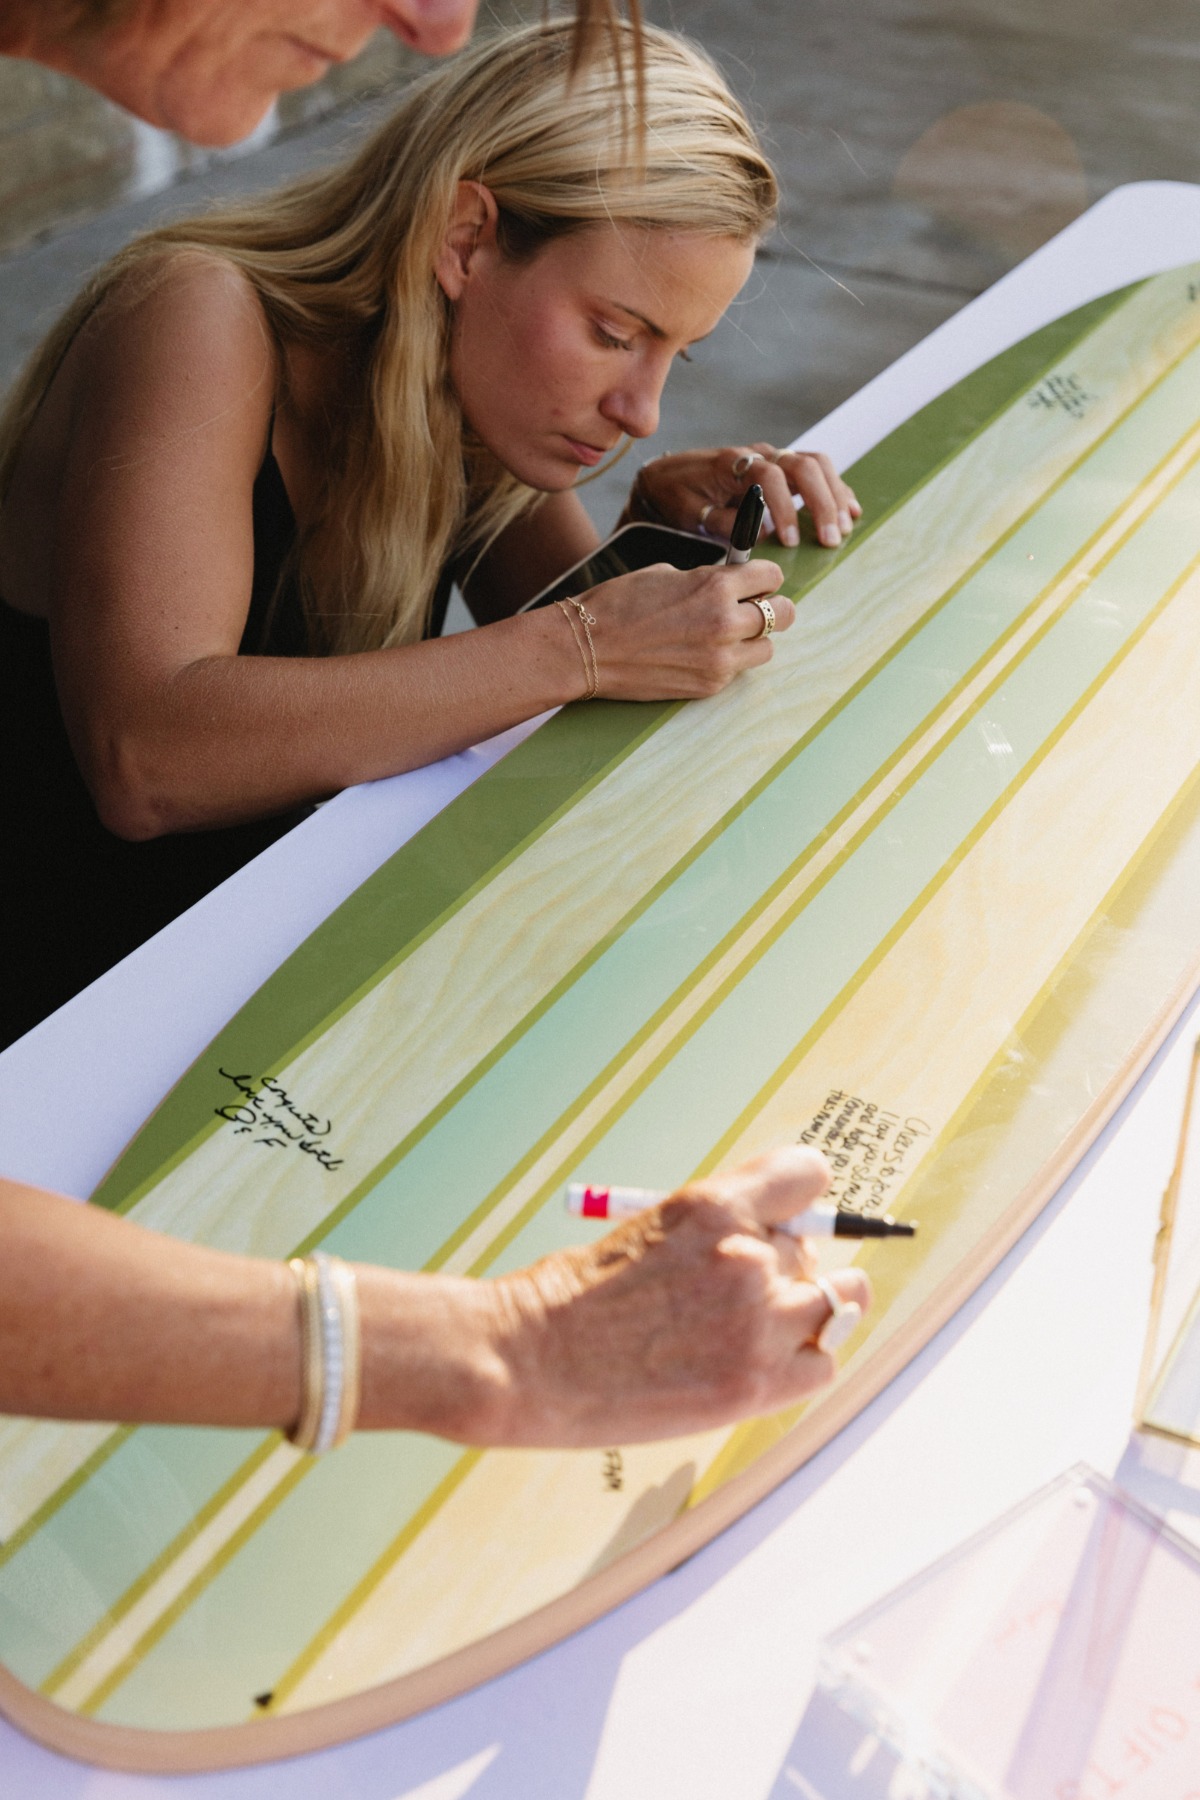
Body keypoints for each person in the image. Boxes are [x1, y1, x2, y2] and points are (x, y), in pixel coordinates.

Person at [0, 21, 869, 1448]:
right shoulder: (202, 315)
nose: (639, 400)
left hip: (251, 999)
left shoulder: (472, 388)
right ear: (470, 234)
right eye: (616, 331)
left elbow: (545, 664)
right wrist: (588, 636)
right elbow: (148, 759)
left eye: (679, 353)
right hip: (65, 1040)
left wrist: (674, 535)